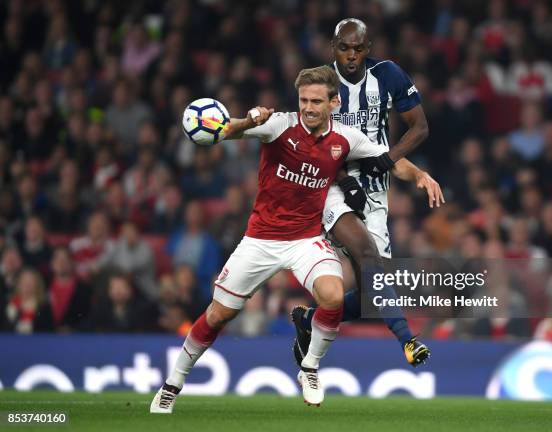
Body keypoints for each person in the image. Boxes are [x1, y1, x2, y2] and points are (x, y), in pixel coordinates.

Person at [151, 65, 403, 412]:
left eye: (316, 101)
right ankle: (172, 384)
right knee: (217, 315)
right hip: (260, 240)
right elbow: (226, 131)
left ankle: (310, 367)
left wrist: (420, 176)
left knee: (331, 294)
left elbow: (387, 159)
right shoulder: (279, 125)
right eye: (304, 100)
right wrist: (248, 120)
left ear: (333, 103)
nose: (309, 108)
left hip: (306, 240)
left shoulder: (346, 138)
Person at [291, 18, 443, 368]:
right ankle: (407, 339)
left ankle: (308, 320)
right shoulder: (320, 84)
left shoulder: (388, 75)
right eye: (344, 47)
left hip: (374, 188)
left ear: (368, 49)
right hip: (327, 183)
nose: (351, 55)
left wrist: (416, 172)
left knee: (374, 293)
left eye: (358, 48)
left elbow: (412, 132)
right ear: (333, 48)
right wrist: (345, 181)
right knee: (365, 253)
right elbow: (311, 140)